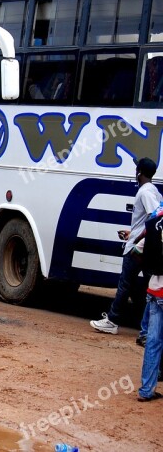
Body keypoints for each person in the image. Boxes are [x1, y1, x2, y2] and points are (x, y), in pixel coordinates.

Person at [91, 157, 162, 335]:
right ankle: (148, 330)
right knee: (147, 289)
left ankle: (113, 321)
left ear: (139, 173)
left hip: (137, 248)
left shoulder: (144, 193)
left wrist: (137, 239)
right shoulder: (154, 191)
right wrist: (134, 233)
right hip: (145, 246)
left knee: (125, 284)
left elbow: (155, 219)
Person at [138, 211, 163, 401]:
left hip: (154, 289)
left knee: (153, 342)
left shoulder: (155, 221)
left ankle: (146, 390)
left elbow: (138, 250)